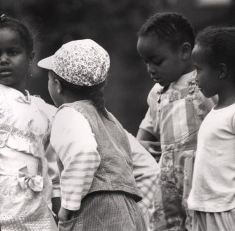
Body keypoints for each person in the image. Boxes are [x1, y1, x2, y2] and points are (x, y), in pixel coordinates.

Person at [38, 38, 159, 231]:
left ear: (58, 85)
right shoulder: (109, 119)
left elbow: (85, 153)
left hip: (97, 213)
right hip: (129, 214)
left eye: (49, 79)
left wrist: (67, 207)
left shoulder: (68, 113)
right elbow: (149, 170)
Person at [136, 12, 217, 231]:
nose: (150, 69)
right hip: (166, 179)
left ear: (184, 51)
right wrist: (139, 148)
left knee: (197, 222)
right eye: (146, 62)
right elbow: (147, 129)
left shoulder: (203, 86)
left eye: (157, 61)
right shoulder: (157, 93)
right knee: (164, 223)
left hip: (200, 176)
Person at [0, 14, 59, 230]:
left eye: (12, 52)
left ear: (30, 57)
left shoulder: (42, 111)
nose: (3, 59)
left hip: (37, 216)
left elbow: (51, 169)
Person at [187, 26, 235, 231]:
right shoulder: (215, 111)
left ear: (221, 71)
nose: (194, 77)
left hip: (224, 210)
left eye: (199, 69)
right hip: (203, 208)